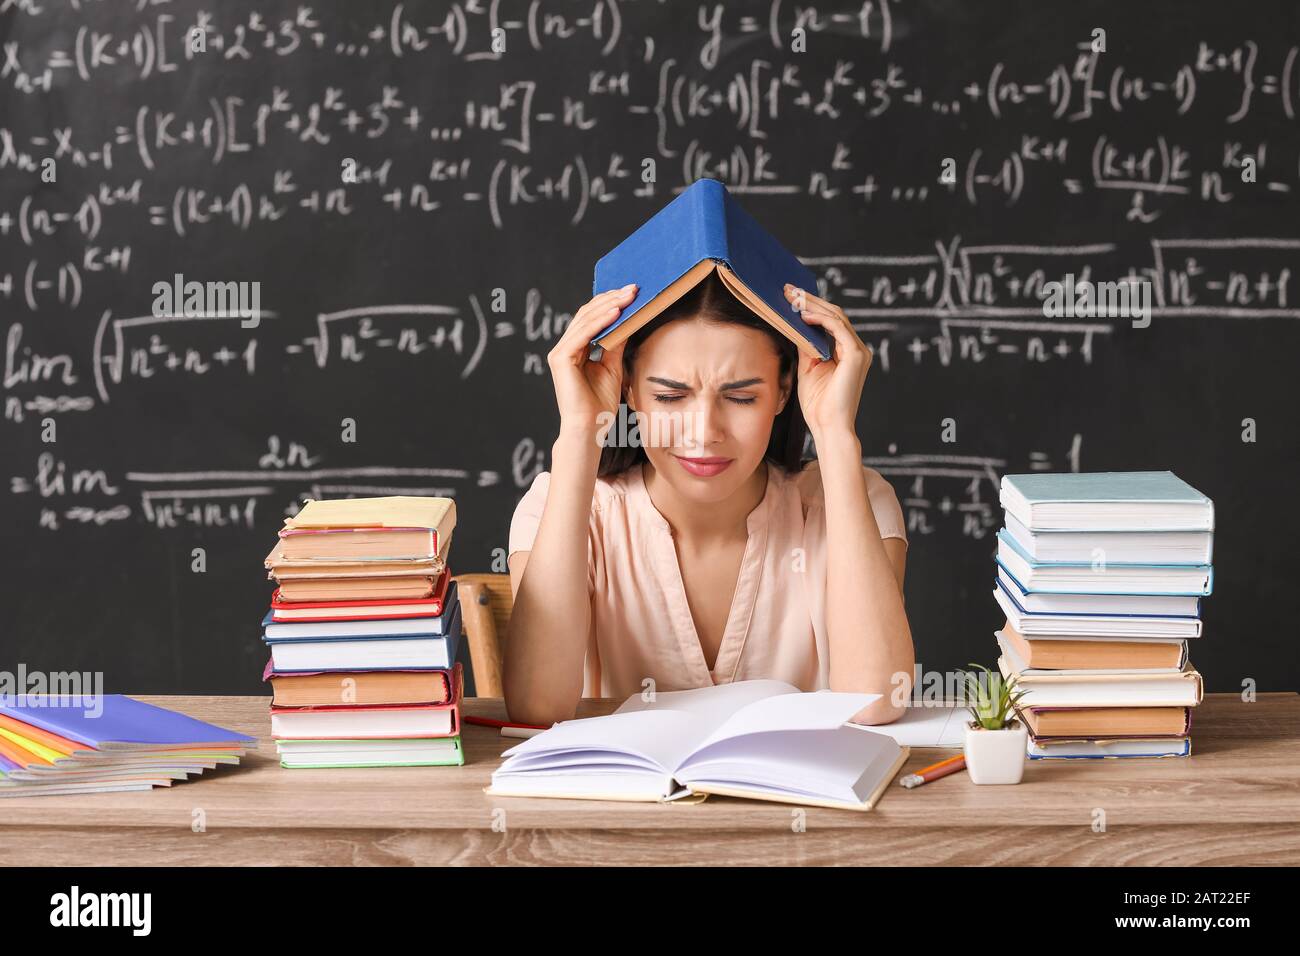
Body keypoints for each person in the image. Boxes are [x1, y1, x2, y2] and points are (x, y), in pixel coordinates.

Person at [504, 271, 914, 726]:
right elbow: (536, 708)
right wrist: (582, 433)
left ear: (783, 391)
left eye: (740, 397)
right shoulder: (558, 507)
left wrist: (836, 435)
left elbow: (875, 699)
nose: (704, 433)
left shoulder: (854, 500)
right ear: (627, 389)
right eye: (669, 396)